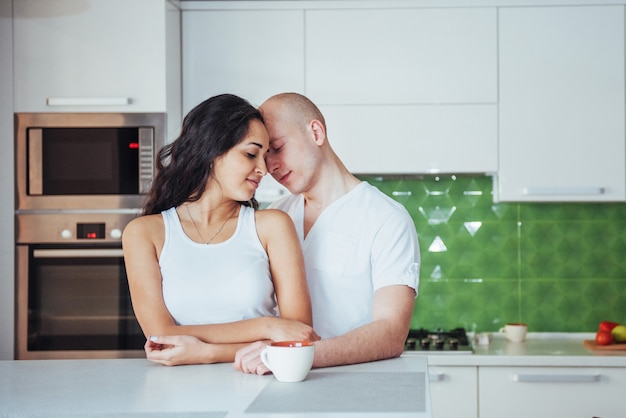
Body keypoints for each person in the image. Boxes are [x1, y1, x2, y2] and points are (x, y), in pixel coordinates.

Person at [122, 94, 319, 366]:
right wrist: (266, 327)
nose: (263, 169)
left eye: (265, 156)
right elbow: (161, 336)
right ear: (211, 150)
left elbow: (297, 336)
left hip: (261, 384)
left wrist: (207, 352)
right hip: (176, 397)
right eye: (251, 154)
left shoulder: (272, 226)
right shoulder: (144, 234)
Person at [233, 92, 420, 374]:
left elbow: (391, 333)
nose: (269, 166)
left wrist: (294, 356)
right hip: (280, 379)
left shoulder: (386, 218)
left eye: (278, 148)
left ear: (316, 132)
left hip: (355, 384)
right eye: (263, 153)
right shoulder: (276, 214)